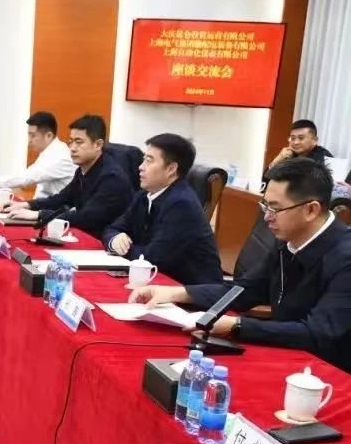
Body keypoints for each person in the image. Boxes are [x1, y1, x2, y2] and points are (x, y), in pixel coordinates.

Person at [130, 158, 351, 372]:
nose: (267, 217)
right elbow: (245, 290)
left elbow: (319, 333)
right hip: (286, 354)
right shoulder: (288, 240)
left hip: (328, 373)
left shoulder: (345, 257)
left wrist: (236, 326)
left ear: (311, 210)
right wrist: (178, 293)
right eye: (265, 206)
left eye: (275, 209)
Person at [102, 133, 223, 285]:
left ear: (171, 169)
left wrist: (124, 248)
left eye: (149, 161)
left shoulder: (181, 204)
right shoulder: (144, 195)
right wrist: (115, 240)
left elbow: (152, 258)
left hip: (191, 290)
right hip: (159, 281)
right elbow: (112, 229)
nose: (140, 167)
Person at [4, 114, 133, 237]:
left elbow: (86, 217)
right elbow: (62, 199)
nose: (72, 148)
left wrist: (39, 215)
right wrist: (28, 205)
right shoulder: (82, 169)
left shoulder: (111, 178)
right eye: (71, 141)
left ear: (98, 145)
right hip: (86, 234)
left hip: (106, 241)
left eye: (79, 142)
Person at [0, 111, 75, 198]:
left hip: (58, 215)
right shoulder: (50, 151)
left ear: (48, 136)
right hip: (44, 208)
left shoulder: (59, 157)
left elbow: (25, 178)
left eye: (33, 135)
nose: (29, 141)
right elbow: (25, 176)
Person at [269, 119, 334, 169]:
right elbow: (266, 179)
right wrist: (278, 159)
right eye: (293, 138)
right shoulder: (288, 155)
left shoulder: (325, 158)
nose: (296, 142)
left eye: (301, 138)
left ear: (314, 140)